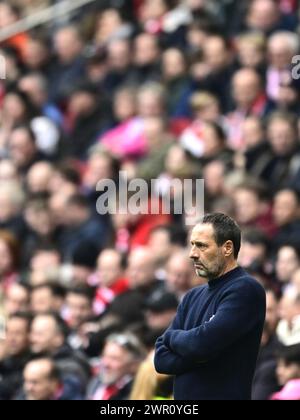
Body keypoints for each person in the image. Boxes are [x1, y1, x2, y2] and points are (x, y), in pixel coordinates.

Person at [154, 213, 266, 400]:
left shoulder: (245, 289)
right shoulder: (191, 296)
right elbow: (160, 360)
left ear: (227, 248)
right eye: (192, 245)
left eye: (202, 246)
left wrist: (171, 337)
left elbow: (201, 345)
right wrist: (201, 353)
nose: (193, 254)